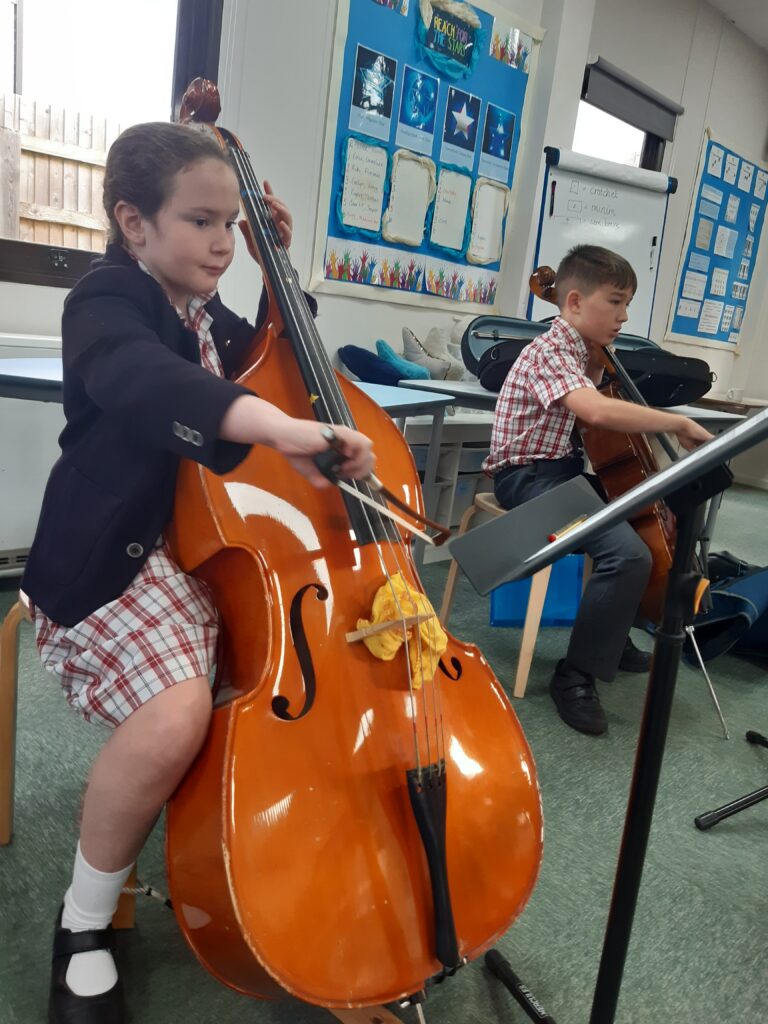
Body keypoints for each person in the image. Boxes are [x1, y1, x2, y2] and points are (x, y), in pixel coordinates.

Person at [21, 121, 375, 1024]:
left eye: (232, 224)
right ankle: (82, 923)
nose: (221, 241)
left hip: (206, 554)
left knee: (297, 690)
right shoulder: (104, 301)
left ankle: (268, 858)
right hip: (109, 563)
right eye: (202, 222)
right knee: (180, 707)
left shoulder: (202, 309)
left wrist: (272, 274)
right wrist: (274, 429)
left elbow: (275, 360)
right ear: (132, 223)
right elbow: (143, 381)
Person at [483, 245, 712, 737]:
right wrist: (676, 422)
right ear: (572, 302)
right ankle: (575, 676)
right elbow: (597, 414)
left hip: (561, 471)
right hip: (527, 477)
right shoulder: (548, 351)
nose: (624, 316)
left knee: (646, 517)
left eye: (627, 303)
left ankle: (609, 638)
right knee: (628, 554)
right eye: (615, 301)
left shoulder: (580, 352)